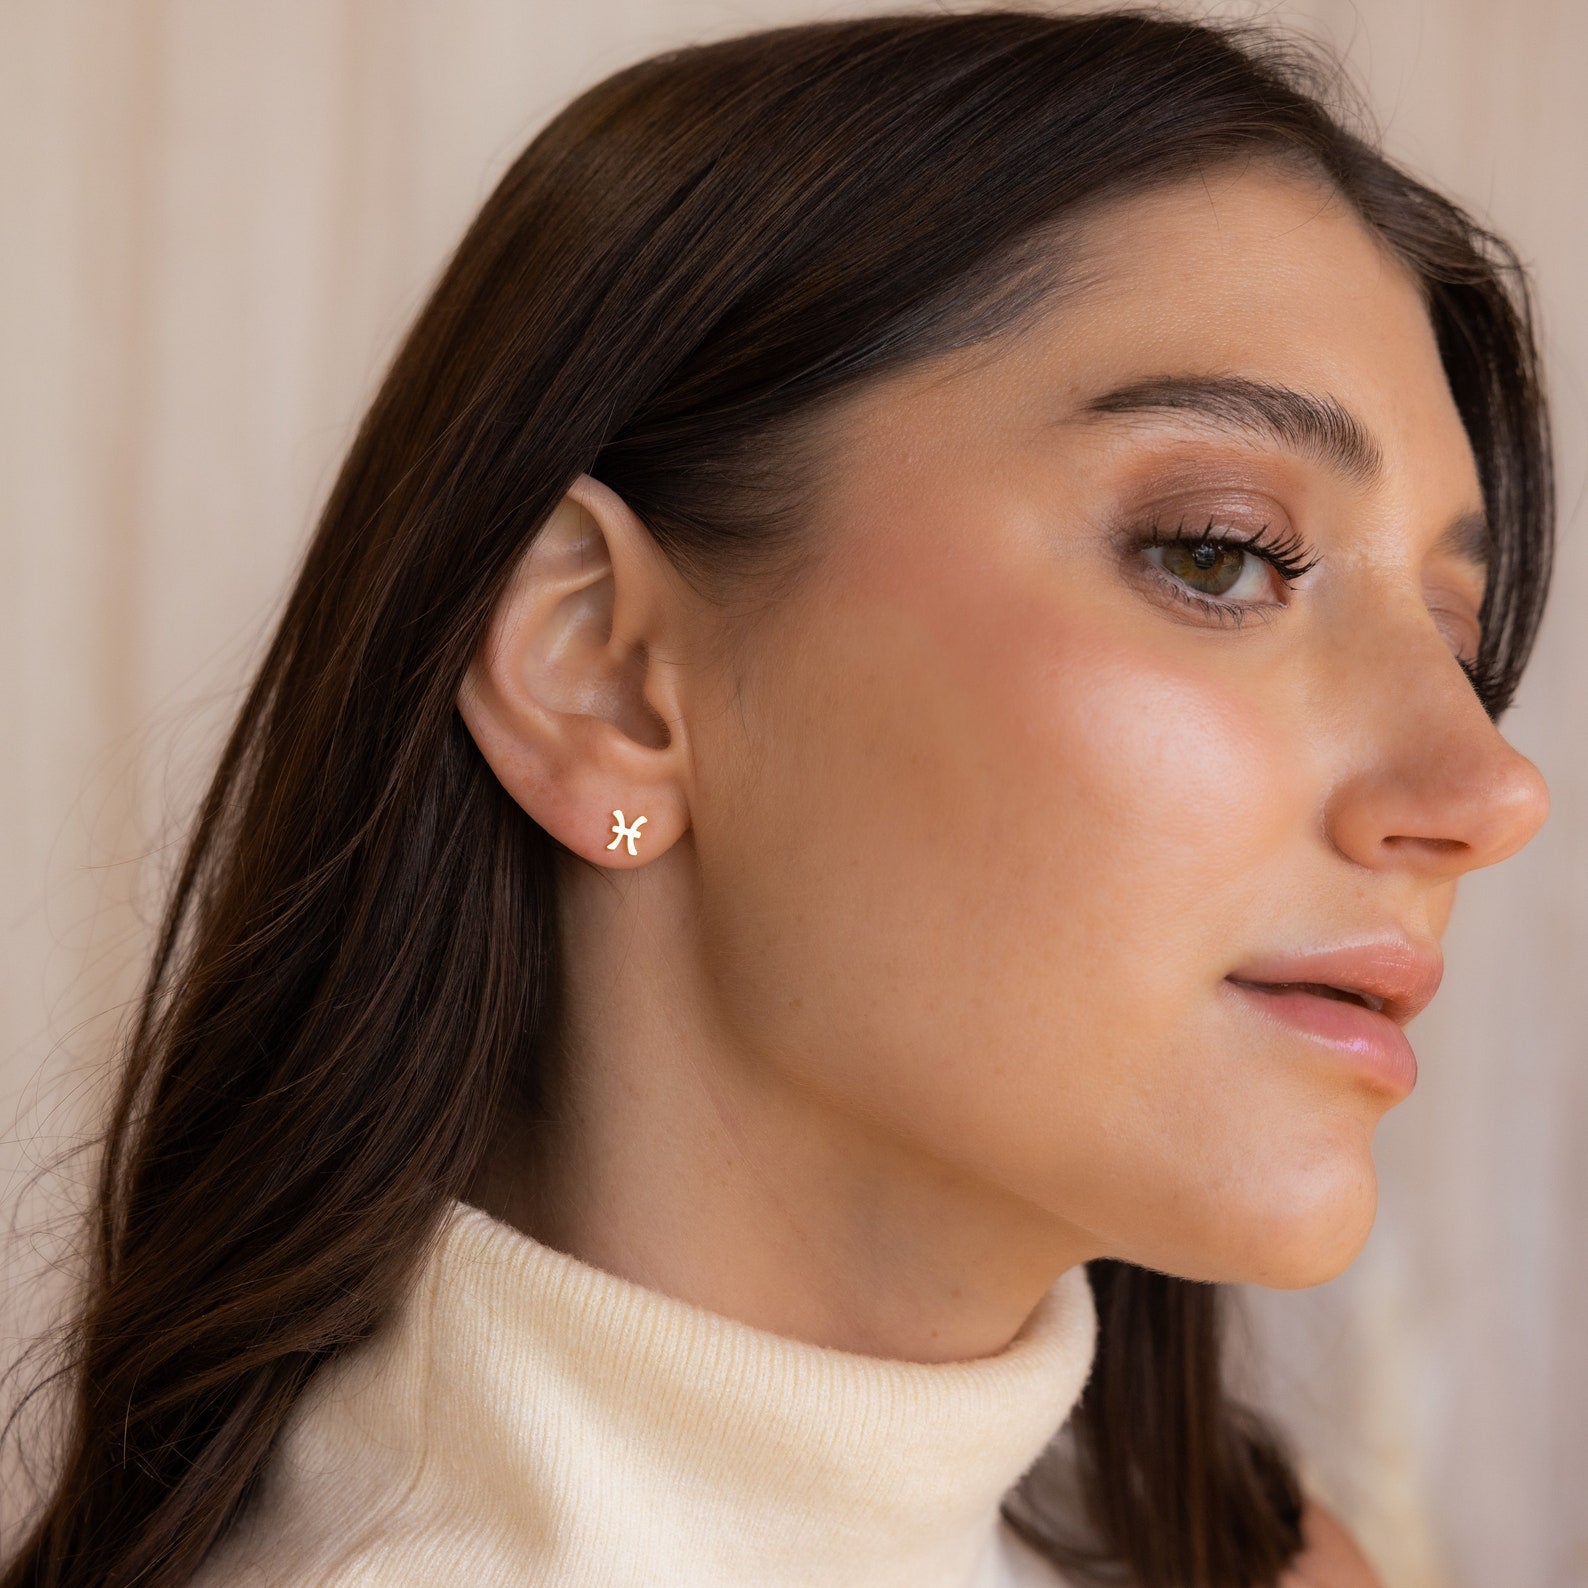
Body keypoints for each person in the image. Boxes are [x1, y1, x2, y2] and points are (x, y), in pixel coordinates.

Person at [1, 8, 1554, 1587]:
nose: (1490, 790)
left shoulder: (1243, 1561)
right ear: (602, 677)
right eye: (1223, 554)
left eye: (1452, 639)